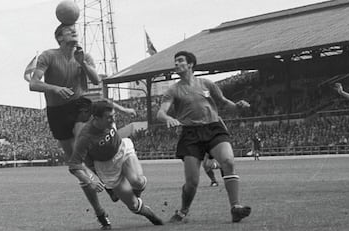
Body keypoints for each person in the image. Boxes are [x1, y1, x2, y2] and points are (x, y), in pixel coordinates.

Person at [29, 23, 115, 229]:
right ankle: (100, 212)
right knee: (76, 163)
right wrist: (54, 88)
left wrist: (82, 63)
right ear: (59, 38)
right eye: (69, 30)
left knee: (80, 138)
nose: (74, 31)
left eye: (75, 29)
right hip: (56, 111)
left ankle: (106, 180)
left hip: (79, 104)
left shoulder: (84, 55)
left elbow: (96, 80)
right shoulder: (48, 56)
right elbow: (33, 84)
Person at [157, 51, 251, 223]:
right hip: (190, 134)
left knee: (228, 162)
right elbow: (161, 112)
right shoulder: (173, 90)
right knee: (192, 182)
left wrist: (237, 107)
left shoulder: (207, 83)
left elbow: (223, 102)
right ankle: (183, 211)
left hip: (213, 127)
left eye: (180, 61)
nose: (176, 64)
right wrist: (168, 118)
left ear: (191, 64)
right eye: (175, 62)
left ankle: (235, 207)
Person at [69, 101, 164, 227]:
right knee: (134, 205)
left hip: (122, 150)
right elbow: (74, 166)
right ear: (96, 118)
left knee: (137, 181)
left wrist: (124, 110)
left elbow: (109, 103)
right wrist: (90, 181)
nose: (113, 119)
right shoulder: (85, 137)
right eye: (109, 117)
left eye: (113, 115)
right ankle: (148, 213)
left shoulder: (107, 117)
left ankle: (129, 192)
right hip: (107, 167)